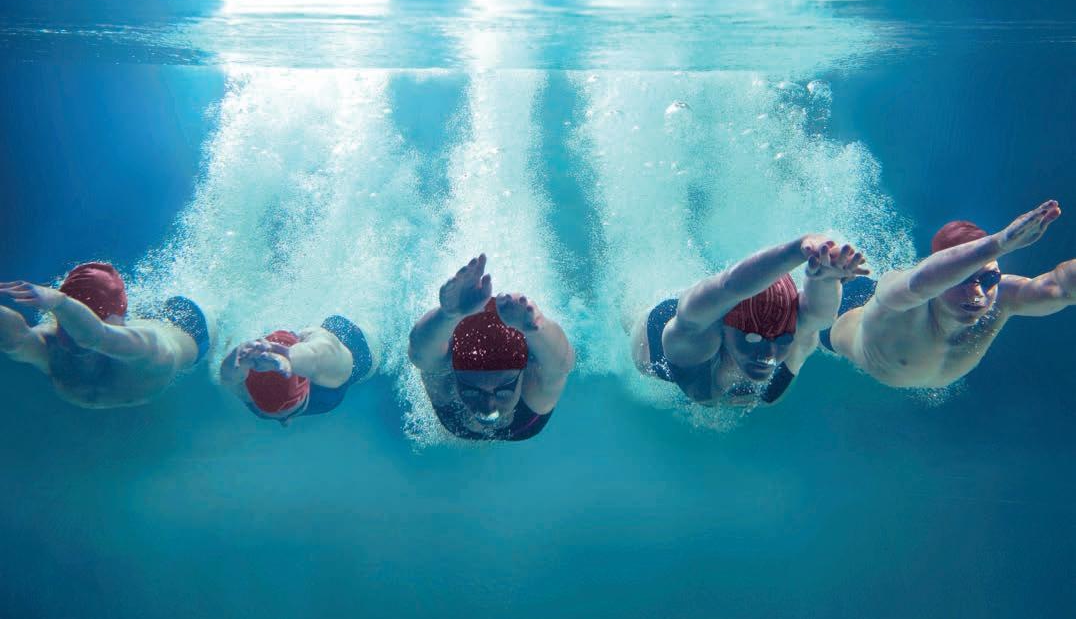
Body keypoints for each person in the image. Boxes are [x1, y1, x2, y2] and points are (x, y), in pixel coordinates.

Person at [828, 200, 1074, 388]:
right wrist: (999, 244)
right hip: (837, 314)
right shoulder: (901, 298)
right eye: (961, 280)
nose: (977, 293)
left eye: (989, 279)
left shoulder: (1003, 298)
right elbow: (918, 282)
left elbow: (1062, 287)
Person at [632, 236, 868, 406]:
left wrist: (826, 279)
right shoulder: (696, 341)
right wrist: (796, 250)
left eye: (782, 339)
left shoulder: (797, 336)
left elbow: (820, 315)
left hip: (728, 311)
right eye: (753, 338)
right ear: (724, 326)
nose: (769, 353)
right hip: (657, 338)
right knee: (635, 314)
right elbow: (727, 287)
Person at [408, 254, 575, 442]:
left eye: (504, 391)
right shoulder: (446, 380)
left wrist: (538, 327)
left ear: (525, 369)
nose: (488, 407)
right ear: (453, 371)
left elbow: (562, 364)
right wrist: (448, 316)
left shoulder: (533, 387)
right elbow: (419, 353)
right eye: (471, 391)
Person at [0, 262, 210, 408]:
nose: (72, 336)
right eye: (66, 324)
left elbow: (93, 337)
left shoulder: (146, 346)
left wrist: (60, 303)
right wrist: (61, 307)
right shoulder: (53, 341)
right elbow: (15, 340)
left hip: (191, 327)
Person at [219, 315, 376, 425]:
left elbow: (316, 355)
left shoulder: (331, 364)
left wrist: (289, 356)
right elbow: (228, 376)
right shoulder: (248, 391)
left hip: (352, 341)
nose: (285, 421)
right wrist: (237, 357)